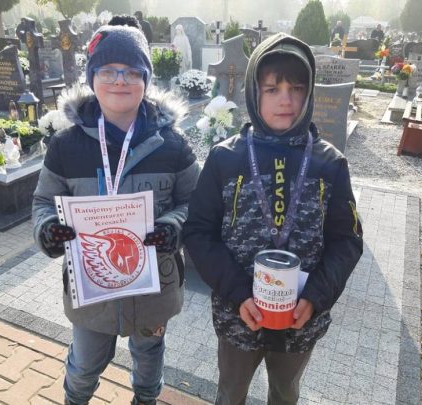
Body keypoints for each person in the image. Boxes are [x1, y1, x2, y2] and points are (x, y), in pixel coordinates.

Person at [182, 32, 363, 404]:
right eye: (272, 89)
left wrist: (316, 296)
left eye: (296, 88)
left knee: (285, 392)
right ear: (254, 92)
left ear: (309, 93)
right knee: (231, 392)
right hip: (238, 316)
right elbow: (198, 232)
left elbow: (347, 240)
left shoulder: (330, 164)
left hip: (301, 320)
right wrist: (237, 293)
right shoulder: (225, 158)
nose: (286, 100)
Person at [32, 25, 200, 405]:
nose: (120, 80)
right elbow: (43, 201)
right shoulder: (65, 146)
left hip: (154, 286)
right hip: (91, 290)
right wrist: (48, 229)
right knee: (84, 364)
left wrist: (173, 227)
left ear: (146, 80)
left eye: (132, 71)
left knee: (149, 356)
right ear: (92, 77)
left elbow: (195, 203)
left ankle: (146, 399)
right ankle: (75, 399)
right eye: (108, 70)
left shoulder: (173, 145)